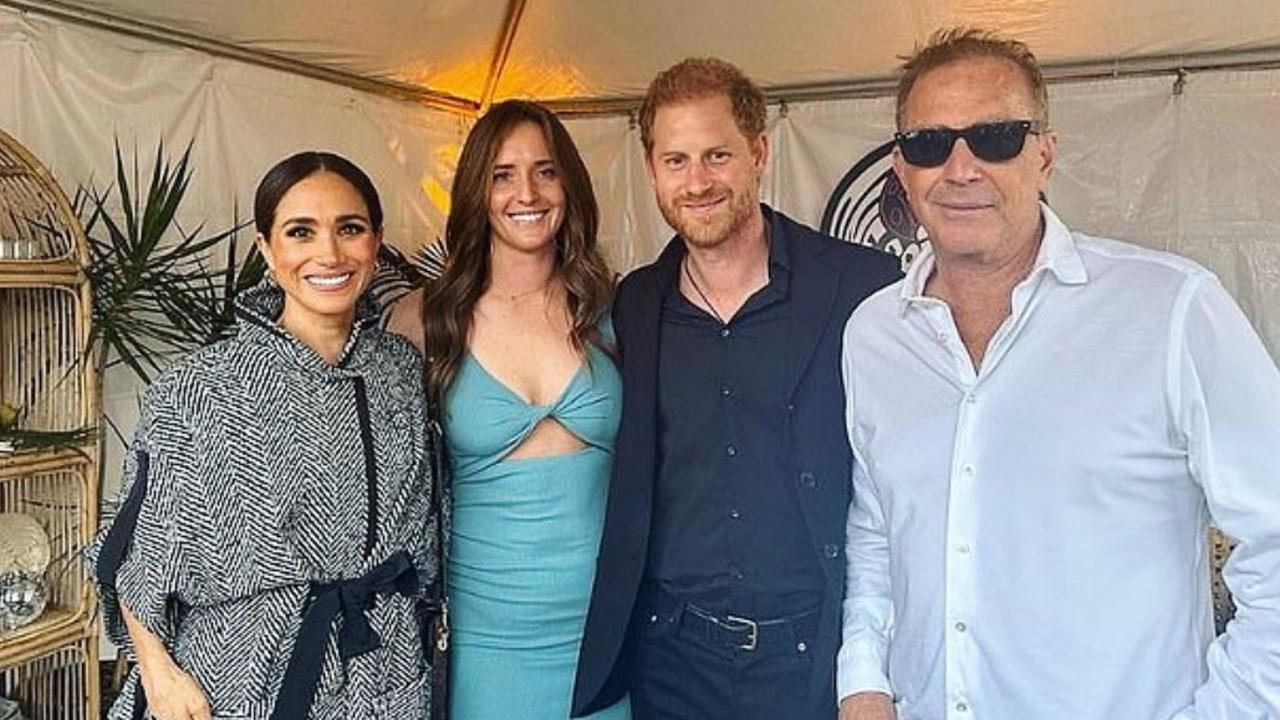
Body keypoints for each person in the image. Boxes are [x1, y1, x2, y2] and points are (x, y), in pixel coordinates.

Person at [837, 28, 1280, 720]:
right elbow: (876, 527)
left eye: (996, 137)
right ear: (901, 171)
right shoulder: (873, 334)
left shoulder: (1171, 310)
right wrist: (863, 681)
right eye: (929, 144)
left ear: (1045, 154)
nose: (961, 168)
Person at [572, 58, 901, 720]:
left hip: (813, 658)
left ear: (759, 153)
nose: (697, 182)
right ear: (651, 170)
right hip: (671, 659)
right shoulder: (637, 302)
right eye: (676, 160)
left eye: (717, 155)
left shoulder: (862, 285)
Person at [89, 152, 438, 720]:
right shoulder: (200, 388)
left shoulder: (399, 370)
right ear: (267, 251)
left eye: (349, 229)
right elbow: (134, 554)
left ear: (376, 242)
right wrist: (159, 678)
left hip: (386, 672)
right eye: (301, 232)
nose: (328, 254)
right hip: (246, 675)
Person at [386, 100, 628, 720]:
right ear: (477, 191)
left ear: (569, 184)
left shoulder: (615, 307)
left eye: (546, 171)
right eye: (502, 174)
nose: (527, 192)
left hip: (606, 639)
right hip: (484, 641)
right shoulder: (425, 319)